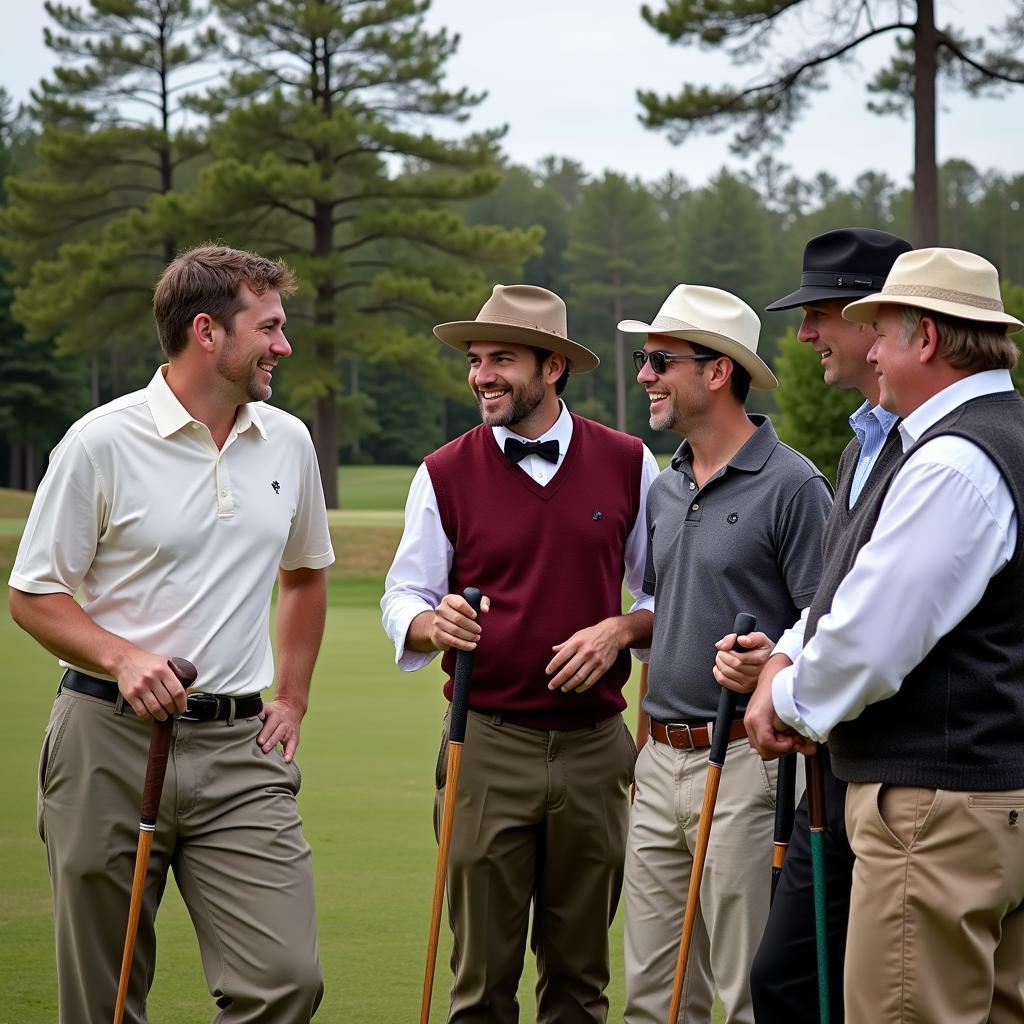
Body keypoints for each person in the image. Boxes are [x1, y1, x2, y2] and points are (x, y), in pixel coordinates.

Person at [9, 245, 333, 1023]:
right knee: (106, 998)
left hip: (240, 750)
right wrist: (123, 657)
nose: (284, 347)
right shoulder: (100, 441)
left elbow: (305, 574)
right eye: (270, 328)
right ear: (208, 333)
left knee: (286, 979)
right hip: (106, 743)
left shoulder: (288, 440)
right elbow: (33, 594)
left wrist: (291, 697)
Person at [746, 247, 1024, 1024]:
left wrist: (785, 699)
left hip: (937, 812)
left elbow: (870, 641)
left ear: (926, 339)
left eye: (883, 332)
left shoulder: (955, 461)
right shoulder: (993, 437)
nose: (869, 348)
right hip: (989, 801)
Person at [381, 283, 659, 1023]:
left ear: (552, 368)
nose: (481, 375)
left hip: (596, 753)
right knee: (480, 984)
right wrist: (429, 623)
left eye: (501, 358)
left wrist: (621, 631)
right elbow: (401, 594)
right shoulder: (443, 471)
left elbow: (666, 595)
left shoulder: (630, 463)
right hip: (485, 748)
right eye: (476, 360)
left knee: (579, 981)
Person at [618, 284, 833, 1024]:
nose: (644, 374)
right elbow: (664, 614)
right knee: (653, 997)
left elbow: (828, 628)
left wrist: (774, 660)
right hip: (660, 760)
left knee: (744, 994)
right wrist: (645, 747)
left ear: (717, 373)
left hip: (749, 763)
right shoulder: (665, 486)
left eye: (659, 360)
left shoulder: (796, 486)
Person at [722, 227, 909, 1023]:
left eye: (822, 313)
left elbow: (887, 620)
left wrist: (788, 684)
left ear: (879, 324)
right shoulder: (860, 448)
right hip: (833, 776)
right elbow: (835, 601)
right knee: (789, 981)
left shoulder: (934, 451)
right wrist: (784, 654)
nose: (803, 334)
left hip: (904, 777)